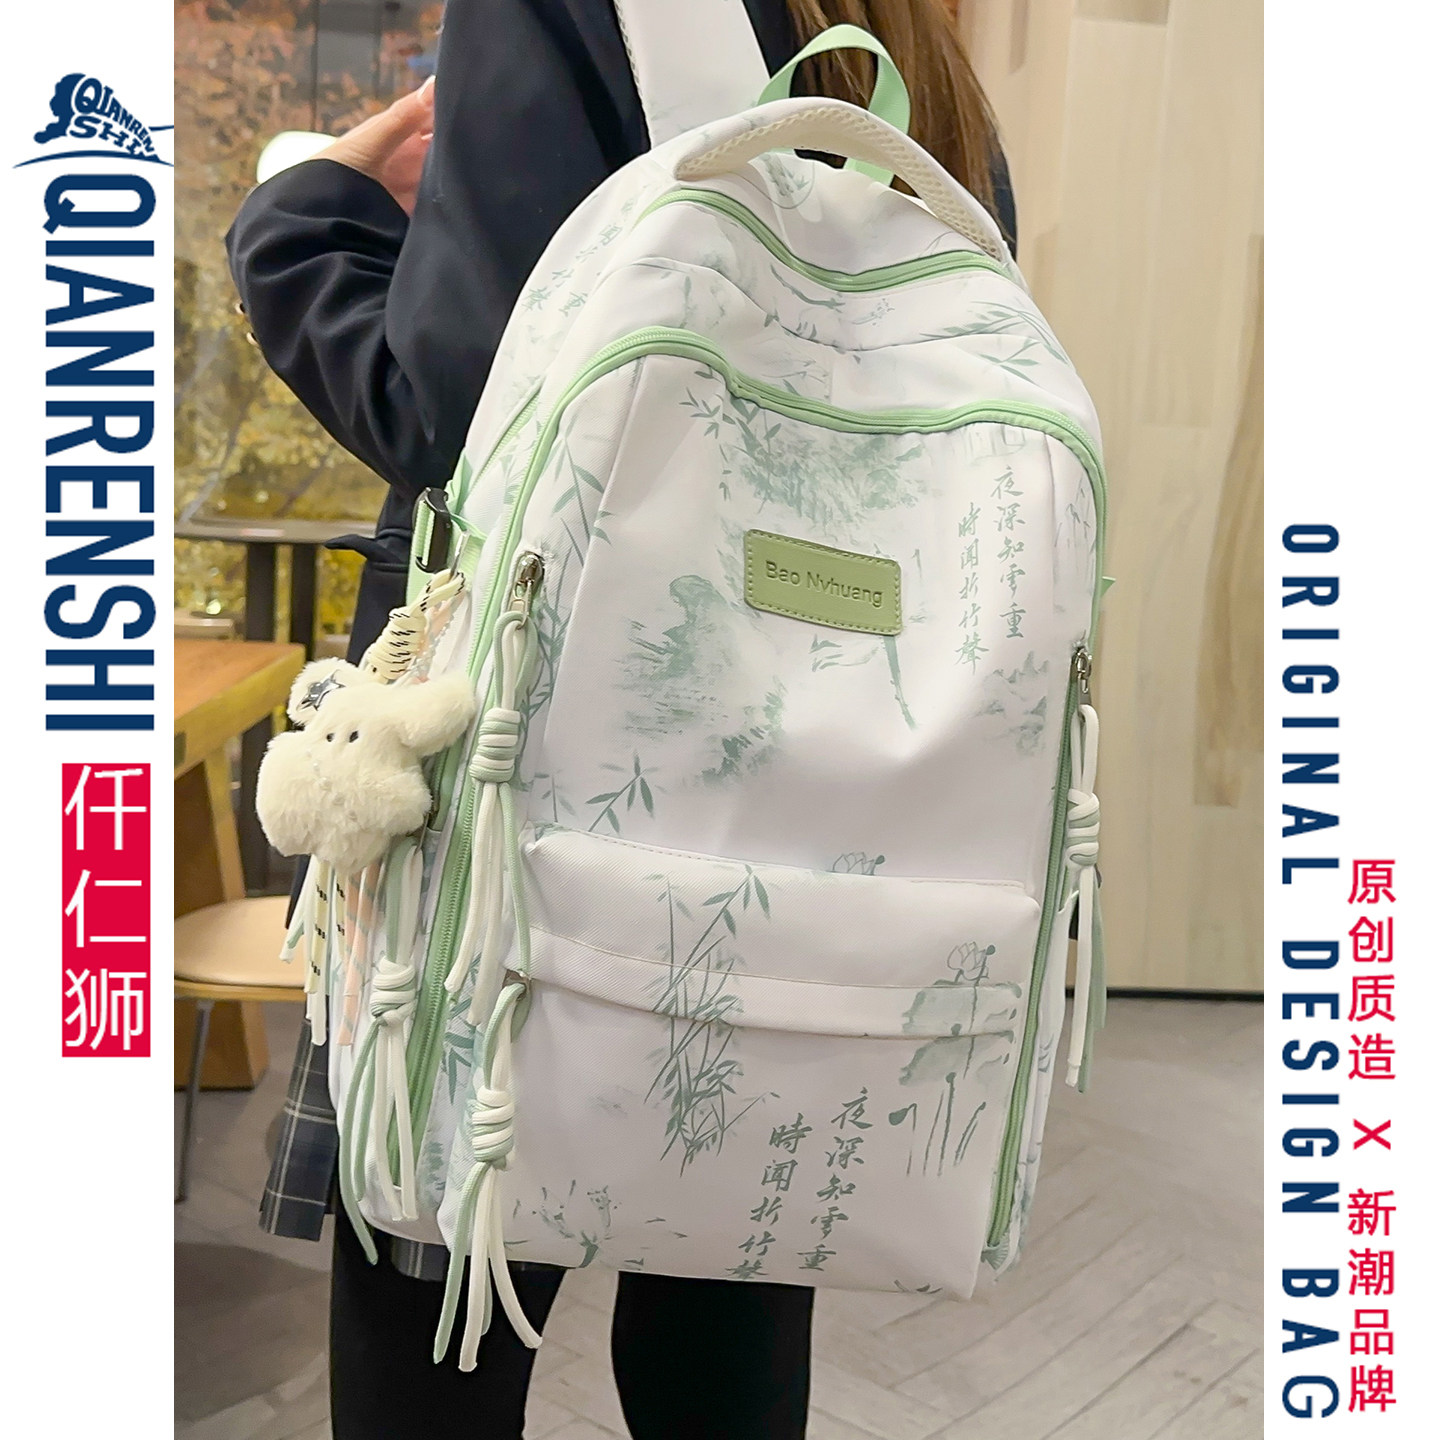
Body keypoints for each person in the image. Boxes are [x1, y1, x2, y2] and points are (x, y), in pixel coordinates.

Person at [227, 3, 1015, 1436]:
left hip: (517, 765)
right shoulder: (913, 56)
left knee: (442, 1290)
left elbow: (460, 415)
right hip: (810, 772)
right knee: (731, 1282)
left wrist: (303, 222)